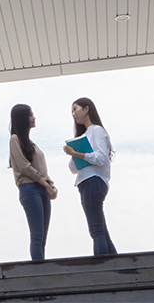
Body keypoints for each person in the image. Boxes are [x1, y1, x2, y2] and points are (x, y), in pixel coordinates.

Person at [63, 97, 117, 256]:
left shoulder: (97, 130)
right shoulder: (85, 134)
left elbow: (101, 158)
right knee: (102, 232)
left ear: (86, 109)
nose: (73, 113)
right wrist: (74, 155)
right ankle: (118, 267)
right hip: (85, 183)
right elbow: (73, 169)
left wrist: (77, 153)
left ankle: (102, 268)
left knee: (96, 231)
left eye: (75, 109)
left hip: (94, 181)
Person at [8, 104, 58, 261]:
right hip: (29, 189)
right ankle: (39, 271)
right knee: (36, 236)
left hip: (42, 189)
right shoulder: (15, 139)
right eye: (30, 115)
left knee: (42, 237)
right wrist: (45, 185)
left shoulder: (33, 145)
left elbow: (42, 170)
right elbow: (24, 167)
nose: (34, 117)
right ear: (23, 118)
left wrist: (51, 186)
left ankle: (41, 265)